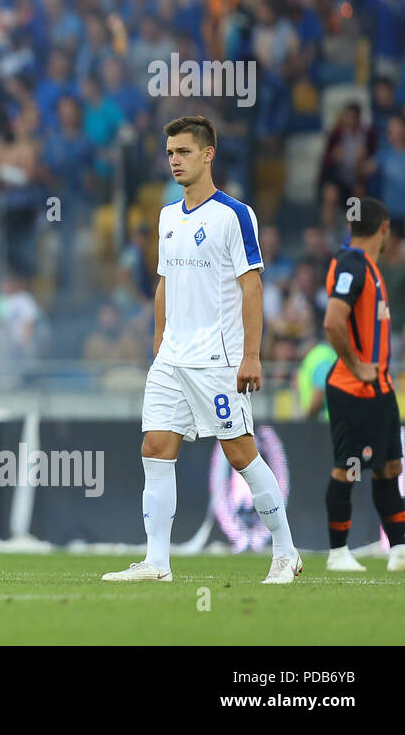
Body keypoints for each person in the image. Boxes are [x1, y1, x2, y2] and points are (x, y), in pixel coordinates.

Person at [104, 116, 301, 584]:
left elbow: (251, 287)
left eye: (184, 152)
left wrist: (252, 354)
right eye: (170, 152)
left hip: (218, 358)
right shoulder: (168, 215)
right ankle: (157, 563)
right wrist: (159, 344)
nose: (175, 160)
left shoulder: (234, 215)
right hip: (172, 357)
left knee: (241, 454)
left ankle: (286, 551)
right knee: (155, 447)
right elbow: (164, 284)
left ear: (208, 154)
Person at [319, 197, 405, 572]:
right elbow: (333, 321)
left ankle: (400, 550)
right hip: (354, 388)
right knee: (348, 469)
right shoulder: (353, 264)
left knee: (390, 467)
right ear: (384, 228)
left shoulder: (369, 267)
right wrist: (356, 366)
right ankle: (338, 552)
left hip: (380, 389)